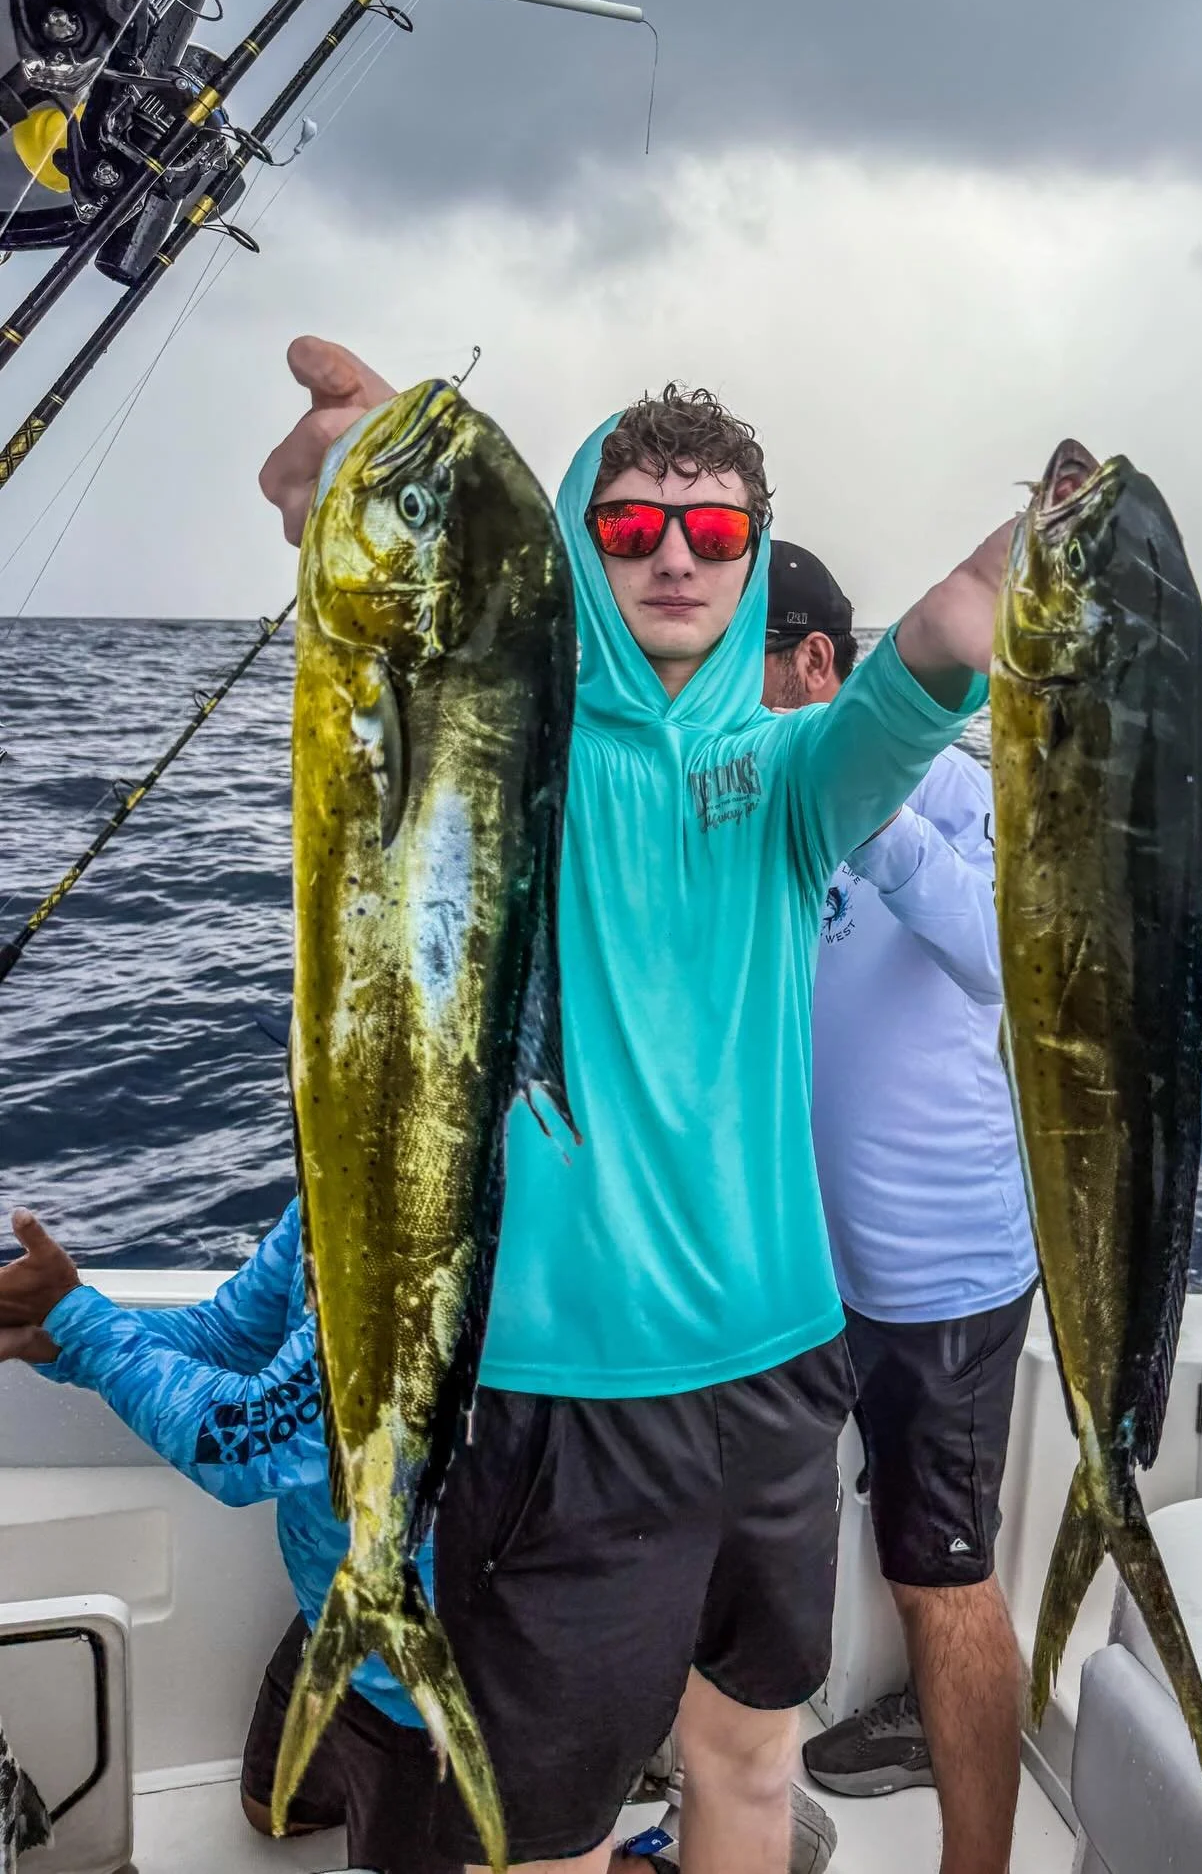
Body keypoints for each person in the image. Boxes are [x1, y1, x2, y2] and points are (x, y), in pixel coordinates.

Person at [6, 338, 1013, 1874]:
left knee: (747, 1763)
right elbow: (355, 549)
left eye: (716, 528)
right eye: (629, 525)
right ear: (572, 545)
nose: (675, 552)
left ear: (752, 553)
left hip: (785, 1374)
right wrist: (336, 470)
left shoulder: (796, 774)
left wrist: (1069, 513)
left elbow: (948, 638)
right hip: (559, 1407)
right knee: (538, 1831)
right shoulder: (499, 731)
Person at [760, 545, 1039, 1874]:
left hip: (942, 1274)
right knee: (760, 1547)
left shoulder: (966, 790)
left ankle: (974, 1858)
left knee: (940, 1573)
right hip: (792, 1267)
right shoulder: (749, 793)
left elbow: (1012, 957)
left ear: (820, 662)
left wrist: (873, 814)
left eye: (736, 664)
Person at [0, 1200, 463, 1874]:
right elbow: (232, 1336)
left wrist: (86, 1326)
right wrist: (64, 1334)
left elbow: (246, 1444)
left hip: (435, 1668)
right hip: (337, 1606)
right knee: (273, 1810)